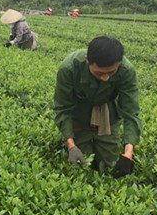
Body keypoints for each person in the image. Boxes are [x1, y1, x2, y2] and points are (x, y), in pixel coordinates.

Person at [53, 36, 141, 178]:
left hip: (107, 115)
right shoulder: (69, 68)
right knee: (81, 168)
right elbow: (63, 108)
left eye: (111, 72)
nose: (106, 77)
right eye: (100, 73)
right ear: (88, 60)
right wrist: (71, 145)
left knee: (110, 165)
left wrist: (128, 154)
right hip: (79, 114)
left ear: (118, 63)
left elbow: (130, 112)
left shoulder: (126, 70)